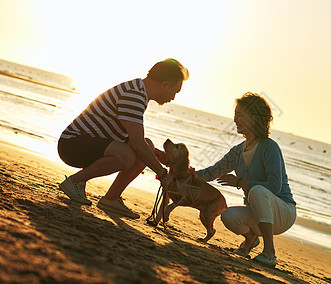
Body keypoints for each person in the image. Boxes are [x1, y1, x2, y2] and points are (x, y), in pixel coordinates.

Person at [57, 58, 189, 219]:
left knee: (147, 145)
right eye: (175, 91)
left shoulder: (139, 91)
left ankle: (111, 199)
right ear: (165, 85)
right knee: (128, 155)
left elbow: (137, 141)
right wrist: (163, 175)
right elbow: (136, 144)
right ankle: (75, 181)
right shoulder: (134, 95)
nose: (173, 98)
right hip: (72, 145)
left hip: (88, 142)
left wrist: (157, 154)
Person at [196, 92, 296, 267]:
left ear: (254, 117)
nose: (235, 120)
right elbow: (212, 172)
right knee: (227, 216)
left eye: (240, 115)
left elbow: (274, 186)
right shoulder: (237, 152)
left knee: (257, 191)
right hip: (258, 213)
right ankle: (251, 239)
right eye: (235, 116)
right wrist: (188, 173)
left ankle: (269, 253)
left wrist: (239, 182)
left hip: (283, 213)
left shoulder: (270, 147)